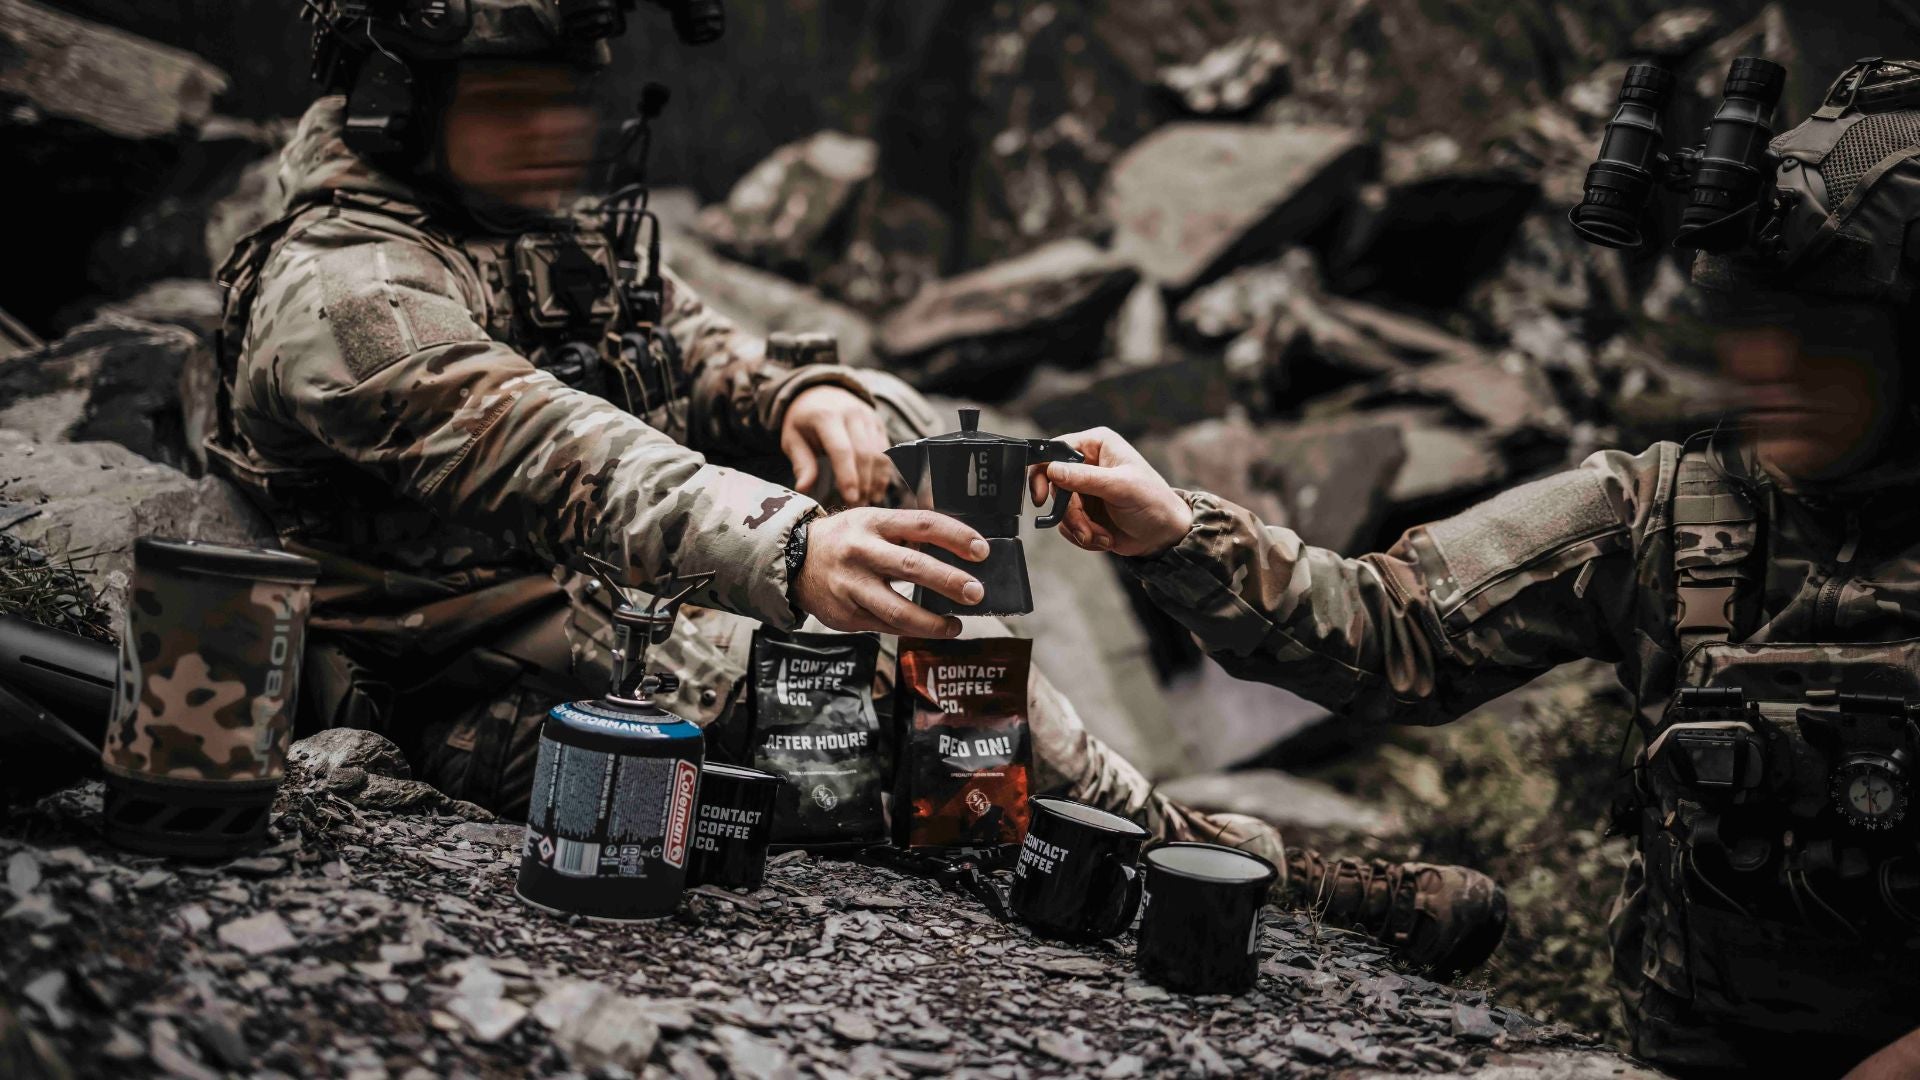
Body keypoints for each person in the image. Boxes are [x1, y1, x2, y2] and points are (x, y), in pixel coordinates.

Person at [205, 0, 1505, 972]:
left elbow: (688, 341)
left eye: (573, 97)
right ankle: (1247, 886)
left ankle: (1160, 852)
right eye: (517, 98)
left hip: (600, 633)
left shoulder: (518, 218)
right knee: (907, 704)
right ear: (392, 97)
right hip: (466, 698)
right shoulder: (346, 295)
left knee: (951, 692)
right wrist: (797, 553)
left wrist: (798, 394)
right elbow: (566, 453)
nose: (561, 134)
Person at [1033, 57, 1920, 1078]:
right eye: (1755, 332)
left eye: (1824, 344)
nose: (1772, 373)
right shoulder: (1668, 508)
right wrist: (1176, 532)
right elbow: (1401, 626)